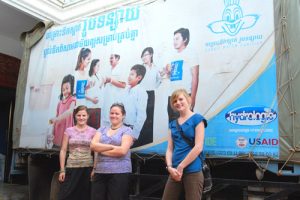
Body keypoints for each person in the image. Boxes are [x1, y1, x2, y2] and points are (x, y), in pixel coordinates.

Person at [162, 89, 207, 200]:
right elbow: (169, 149)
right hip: (174, 171)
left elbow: (198, 147)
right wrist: (169, 167)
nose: (178, 102)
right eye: (175, 101)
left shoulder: (198, 119)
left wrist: (181, 166)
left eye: (180, 99)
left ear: (189, 100)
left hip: (193, 170)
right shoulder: (172, 124)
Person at [90, 103, 135, 200]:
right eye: (112, 113)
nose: (114, 115)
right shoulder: (101, 129)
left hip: (120, 172)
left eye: (117, 113)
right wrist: (112, 147)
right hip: (100, 171)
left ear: (123, 116)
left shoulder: (127, 130)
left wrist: (101, 149)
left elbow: (122, 151)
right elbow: (93, 146)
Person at [58, 105, 97, 200]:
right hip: (72, 167)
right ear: (75, 116)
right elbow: (63, 150)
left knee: (84, 196)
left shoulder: (93, 131)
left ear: (87, 116)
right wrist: (62, 170)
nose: (81, 118)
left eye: (84, 115)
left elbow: (96, 152)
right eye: (79, 115)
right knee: (66, 195)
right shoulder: (68, 131)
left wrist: (94, 169)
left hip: (87, 168)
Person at [165, 28, 199, 122]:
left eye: (177, 39)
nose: (174, 41)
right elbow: (170, 77)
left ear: (185, 39)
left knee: (185, 126)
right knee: (173, 126)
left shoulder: (191, 53)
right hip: (172, 96)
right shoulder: (172, 55)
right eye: (174, 39)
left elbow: (195, 77)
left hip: (184, 95)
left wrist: (192, 98)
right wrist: (167, 72)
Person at [136, 47, 162, 147]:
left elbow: (159, 80)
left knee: (150, 117)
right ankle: (139, 140)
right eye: (142, 56)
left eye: (145, 55)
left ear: (151, 54)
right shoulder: (141, 68)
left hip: (151, 94)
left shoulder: (155, 67)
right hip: (141, 93)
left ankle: (148, 140)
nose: (144, 57)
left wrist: (154, 86)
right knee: (141, 117)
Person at [122, 64, 148, 141]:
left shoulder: (141, 92)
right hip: (122, 126)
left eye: (132, 74)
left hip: (131, 129)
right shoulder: (126, 89)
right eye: (129, 74)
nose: (129, 76)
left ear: (139, 78)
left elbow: (142, 115)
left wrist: (134, 134)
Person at [50, 74, 76, 148]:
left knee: (65, 148)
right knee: (56, 147)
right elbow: (56, 117)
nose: (65, 91)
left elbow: (70, 111)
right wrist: (52, 133)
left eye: (67, 88)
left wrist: (57, 119)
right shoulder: (59, 103)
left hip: (66, 129)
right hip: (58, 130)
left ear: (72, 87)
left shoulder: (72, 99)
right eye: (63, 90)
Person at [101, 54, 126, 127]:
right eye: (109, 58)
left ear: (117, 58)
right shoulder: (107, 70)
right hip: (107, 100)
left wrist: (111, 80)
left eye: (112, 58)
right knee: (105, 121)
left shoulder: (121, 69)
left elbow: (123, 85)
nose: (110, 60)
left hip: (115, 100)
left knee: (115, 122)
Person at [86, 59, 105, 129]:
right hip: (90, 107)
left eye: (99, 66)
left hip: (98, 107)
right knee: (90, 128)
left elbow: (97, 89)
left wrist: (102, 83)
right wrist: (92, 100)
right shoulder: (87, 77)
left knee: (97, 129)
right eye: (97, 66)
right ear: (93, 66)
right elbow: (82, 93)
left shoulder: (98, 77)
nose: (98, 68)